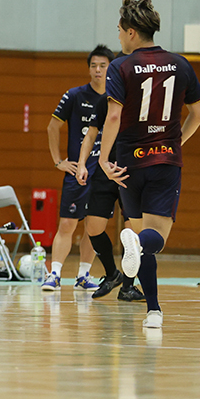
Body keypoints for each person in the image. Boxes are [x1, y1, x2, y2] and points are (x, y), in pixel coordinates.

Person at [100, 0, 200, 329]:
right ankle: (153, 309)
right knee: (153, 238)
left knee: (139, 235)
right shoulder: (180, 64)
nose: (118, 36)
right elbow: (198, 114)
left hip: (128, 164)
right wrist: (175, 143)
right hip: (164, 161)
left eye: (119, 30)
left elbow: (113, 116)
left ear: (131, 32)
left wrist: (103, 159)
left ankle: (154, 311)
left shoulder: (120, 66)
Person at [41, 45, 114, 292]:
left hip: (103, 175)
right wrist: (58, 161)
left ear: (111, 68)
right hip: (77, 173)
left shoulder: (116, 98)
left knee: (94, 228)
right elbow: (52, 127)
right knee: (67, 224)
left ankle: (83, 275)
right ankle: (54, 274)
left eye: (103, 65)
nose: (98, 70)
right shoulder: (74, 95)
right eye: (93, 65)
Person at [76, 60, 146, 302]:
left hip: (132, 172)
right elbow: (91, 134)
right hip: (105, 171)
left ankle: (128, 286)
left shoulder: (142, 102)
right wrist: (82, 163)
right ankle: (112, 273)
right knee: (93, 227)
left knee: (132, 232)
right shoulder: (104, 101)